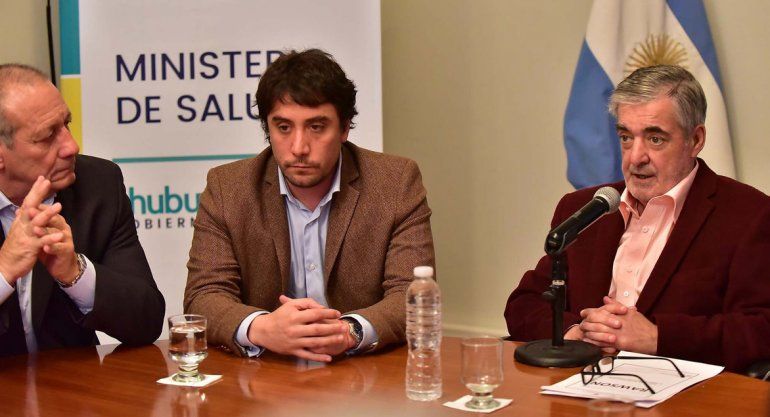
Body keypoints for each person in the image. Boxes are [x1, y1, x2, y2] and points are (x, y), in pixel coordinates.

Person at [505, 65, 770, 372]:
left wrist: (658, 337)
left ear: (695, 139)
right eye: (626, 137)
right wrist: (574, 333)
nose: (635, 157)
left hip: (683, 389)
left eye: (655, 139)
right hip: (581, 384)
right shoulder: (585, 209)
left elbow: (761, 328)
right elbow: (524, 303)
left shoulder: (749, 214)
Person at [184, 49, 435, 362]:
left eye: (316, 127)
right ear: (267, 128)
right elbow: (203, 295)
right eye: (283, 127)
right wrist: (262, 328)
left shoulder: (395, 183)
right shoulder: (228, 188)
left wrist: (348, 332)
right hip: (267, 374)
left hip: (360, 375)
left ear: (344, 128)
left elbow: (412, 293)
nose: (299, 148)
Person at [0, 64, 165, 356]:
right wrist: (3, 271)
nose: (71, 146)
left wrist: (75, 272)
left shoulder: (98, 184)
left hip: (70, 382)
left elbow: (147, 320)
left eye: (66, 124)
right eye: (47, 136)